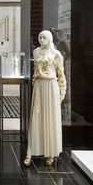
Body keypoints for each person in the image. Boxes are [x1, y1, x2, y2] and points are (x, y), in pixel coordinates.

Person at [24, 30, 66, 166]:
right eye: (40, 37)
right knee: (36, 117)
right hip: (39, 86)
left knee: (50, 118)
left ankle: (51, 152)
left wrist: (62, 91)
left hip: (51, 86)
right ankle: (30, 151)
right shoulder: (36, 52)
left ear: (49, 38)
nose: (41, 40)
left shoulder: (56, 54)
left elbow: (61, 73)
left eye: (44, 37)